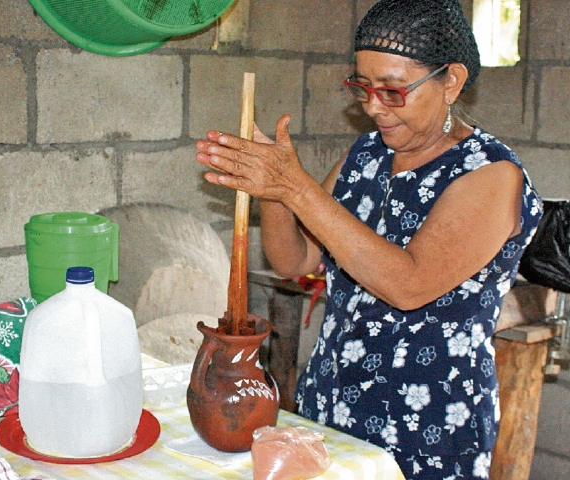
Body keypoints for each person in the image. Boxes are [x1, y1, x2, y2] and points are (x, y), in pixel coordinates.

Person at [195, 0, 542, 478]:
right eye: (363, 87)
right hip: (333, 403)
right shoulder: (368, 154)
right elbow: (295, 260)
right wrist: (272, 193)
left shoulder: (489, 175)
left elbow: (409, 284)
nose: (374, 107)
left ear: (451, 81)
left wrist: (296, 187)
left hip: (427, 427)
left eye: (393, 91)